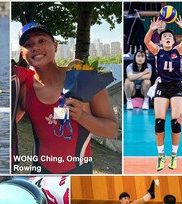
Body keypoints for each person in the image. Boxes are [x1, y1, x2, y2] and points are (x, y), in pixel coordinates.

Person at [16, 22, 118, 174]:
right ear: (23, 53)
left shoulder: (85, 79)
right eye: (28, 44)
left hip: (79, 171)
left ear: (55, 46)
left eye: (42, 40)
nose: (35, 47)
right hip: (41, 172)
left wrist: (82, 116)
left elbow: (112, 131)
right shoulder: (24, 90)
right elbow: (9, 124)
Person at [144, 17, 182, 171]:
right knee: (159, 122)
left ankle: (174, 155)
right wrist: (151, 29)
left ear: (173, 41)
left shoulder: (179, 50)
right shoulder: (158, 51)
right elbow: (146, 42)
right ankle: (160, 155)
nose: (168, 38)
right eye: (165, 37)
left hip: (177, 87)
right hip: (162, 87)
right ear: (161, 41)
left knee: (176, 122)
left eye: (170, 36)